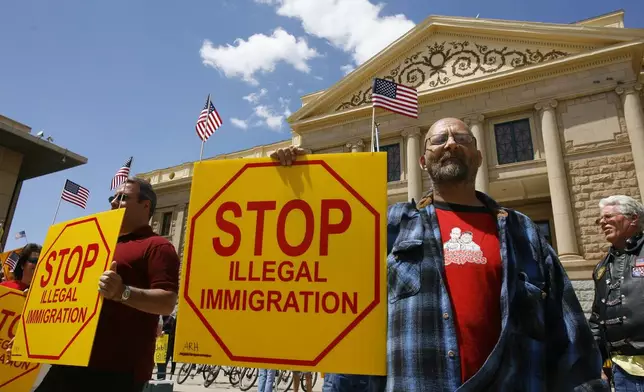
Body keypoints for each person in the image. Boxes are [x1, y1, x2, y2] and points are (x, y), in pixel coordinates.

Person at [270, 118, 607, 391]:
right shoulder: (390, 227)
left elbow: (570, 337)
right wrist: (295, 182)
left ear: (477, 156)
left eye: (461, 137)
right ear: (422, 159)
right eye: (439, 139)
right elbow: (316, 250)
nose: (450, 143)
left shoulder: (524, 233)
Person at [33, 177, 180, 392]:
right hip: (70, 360)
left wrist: (123, 292)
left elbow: (167, 302)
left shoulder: (157, 246)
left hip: (116, 369)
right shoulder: (97, 243)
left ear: (145, 205)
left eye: (122, 198)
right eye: (113, 197)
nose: (113, 202)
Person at [589, 195, 644, 390]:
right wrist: (597, 363)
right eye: (600, 219)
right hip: (621, 372)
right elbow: (596, 319)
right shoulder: (601, 268)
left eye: (609, 217)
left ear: (633, 218)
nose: (602, 223)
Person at [156, 314, 177, 380]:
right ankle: (160, 378)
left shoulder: (171, 319)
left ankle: (161, 378)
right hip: (159, 345)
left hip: (168, 344)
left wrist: (165, 332)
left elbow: (174, 331)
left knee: (164, 362)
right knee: (159, 362)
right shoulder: (159, 318)